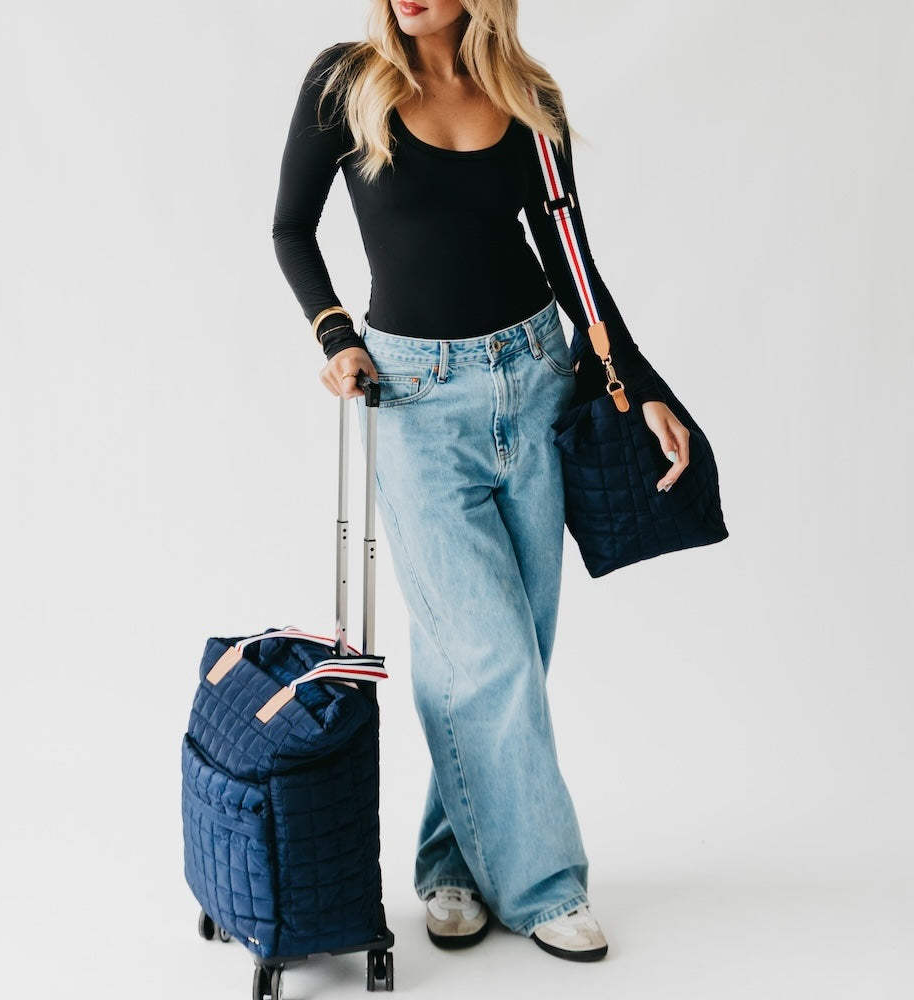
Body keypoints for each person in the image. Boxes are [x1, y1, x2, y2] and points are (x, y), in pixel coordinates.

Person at [272, 0, 690, 963]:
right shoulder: (347, 80)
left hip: (535, 377)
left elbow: (572, 264)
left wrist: (646, 389)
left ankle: (449, 866)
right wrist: (335, 334)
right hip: (413, 400)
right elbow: (292, 228)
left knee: (510, 650)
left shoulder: (528, 94)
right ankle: (546, 884)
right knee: (486, 650)